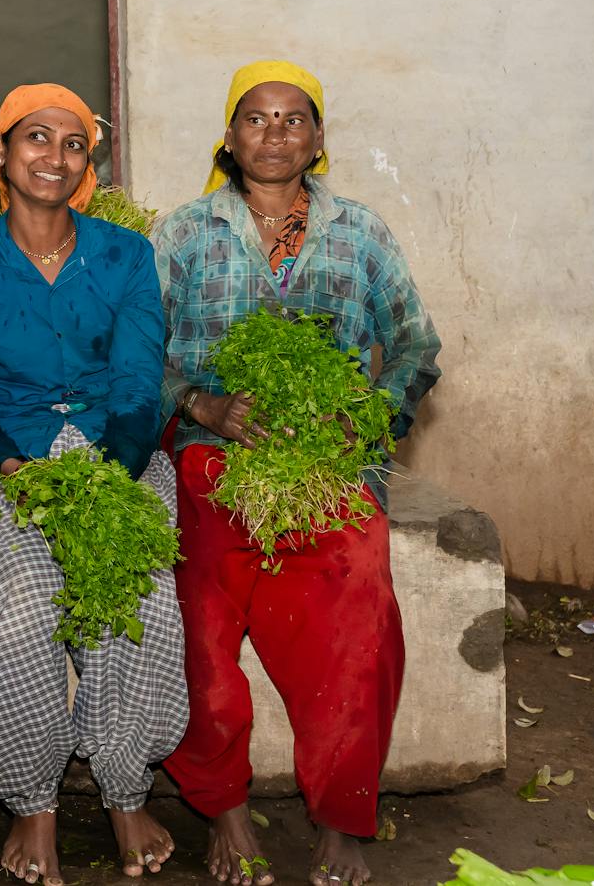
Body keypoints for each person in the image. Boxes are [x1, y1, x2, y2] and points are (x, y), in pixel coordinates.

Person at [154, 60, 440, 886]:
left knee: (358, 589)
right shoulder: (182, 234)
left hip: (330, 460)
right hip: (214, 457)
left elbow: (418, 346)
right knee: (201, 606)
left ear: (317, 139)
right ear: (230, 134)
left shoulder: (360, 232)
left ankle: (345, 814)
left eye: (292, 119)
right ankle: (226, 808)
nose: (273, 134)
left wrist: (363, 418)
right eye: (255, 117)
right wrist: (203, 407)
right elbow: (135, 353)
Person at [0, 83, 183, 886]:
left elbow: (140, 381)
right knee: (20, 600)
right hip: (4, 461)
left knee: (133, 594)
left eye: (72, 143)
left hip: (114, 455)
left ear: (87, 163)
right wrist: (15, 468)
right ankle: (32, 801)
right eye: (36, 138)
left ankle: (125, 788)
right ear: (2, 154)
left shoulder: (125, 255)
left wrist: (111, 475)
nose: (54, 156)